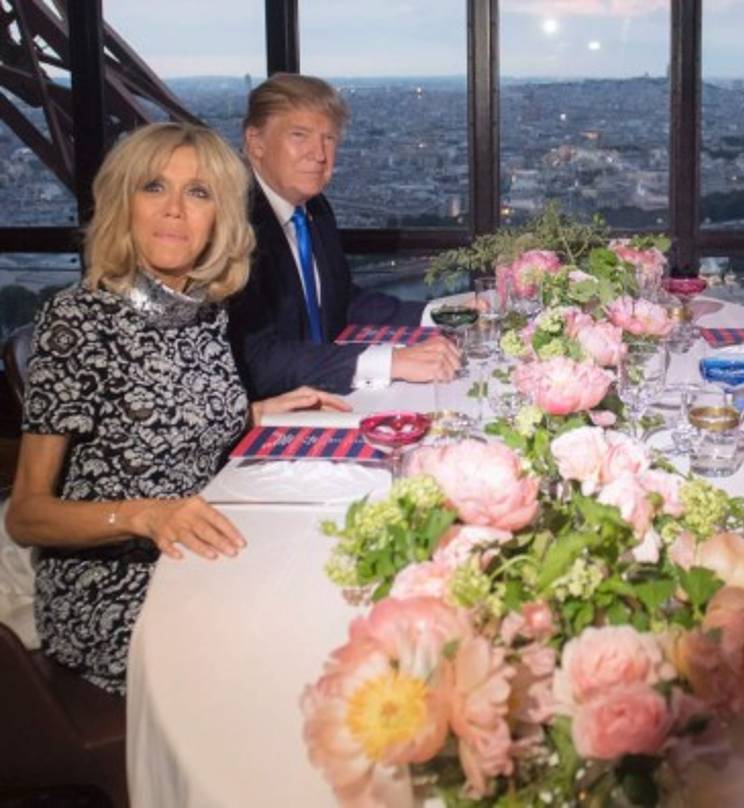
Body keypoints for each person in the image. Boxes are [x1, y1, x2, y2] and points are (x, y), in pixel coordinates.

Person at [4, 123, 349, 694]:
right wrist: (147, 515)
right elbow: (26, 515)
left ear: (221, 217)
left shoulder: (205, 309)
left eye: (198, 193)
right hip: (114, 588)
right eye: (153, 187)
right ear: (123, 204)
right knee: (304, 646)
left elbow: (171, 418)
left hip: (199, 551)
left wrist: (259, 411)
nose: (174, 211)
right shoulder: (77, 322)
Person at [230, 73, 459, 397]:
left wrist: (440, 314)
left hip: (320, 388)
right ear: (256, 143)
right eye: (300, 136)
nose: (319, 154)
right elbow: (258, 362)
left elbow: (340, 301)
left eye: (329, 139)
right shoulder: (234, 226)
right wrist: (390, 362)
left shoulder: (314, 209)